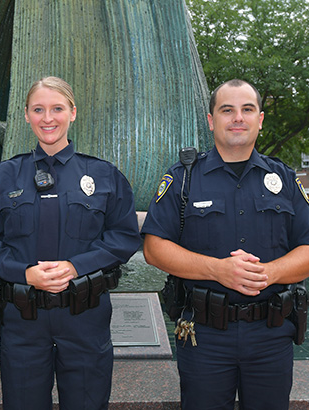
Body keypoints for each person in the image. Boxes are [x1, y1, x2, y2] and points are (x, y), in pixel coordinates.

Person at [0, 76, 141, 410]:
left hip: (85, 316)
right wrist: (24, 273)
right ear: (26, 115)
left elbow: (124, 237)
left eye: (57, 108)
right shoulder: (5, 175)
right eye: (38, 109)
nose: (48, 118)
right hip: (23, 318)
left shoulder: (104, 175)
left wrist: (78, 266)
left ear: (72, 113)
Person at [141, 79, 309, 410]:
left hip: (271, 334)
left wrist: (270, 273)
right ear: (211, 120)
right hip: (204, 335)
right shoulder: (184, 179)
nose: (237, 118)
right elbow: (154, 247)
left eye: (247, 110)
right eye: (227, 110)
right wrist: (218, 270)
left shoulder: (286, 180)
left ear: (260, 119)